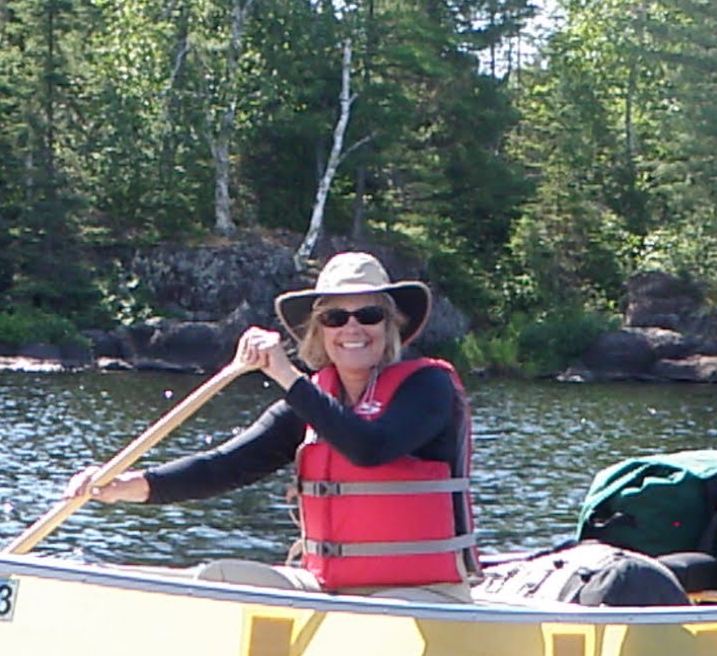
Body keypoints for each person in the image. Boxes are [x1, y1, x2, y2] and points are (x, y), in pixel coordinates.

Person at [69, 251, 477, 602]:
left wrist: (286, 375)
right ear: (320, 331)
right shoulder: (312, 402)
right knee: (218, 579)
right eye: (336, 317)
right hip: (329, 588)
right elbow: (224, 466)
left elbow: (370, 448)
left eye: (368, 315)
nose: (352, 329)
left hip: (425, 593)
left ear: (389, 326)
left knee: (377, 622)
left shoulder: (428, 386)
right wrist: (126, 485)